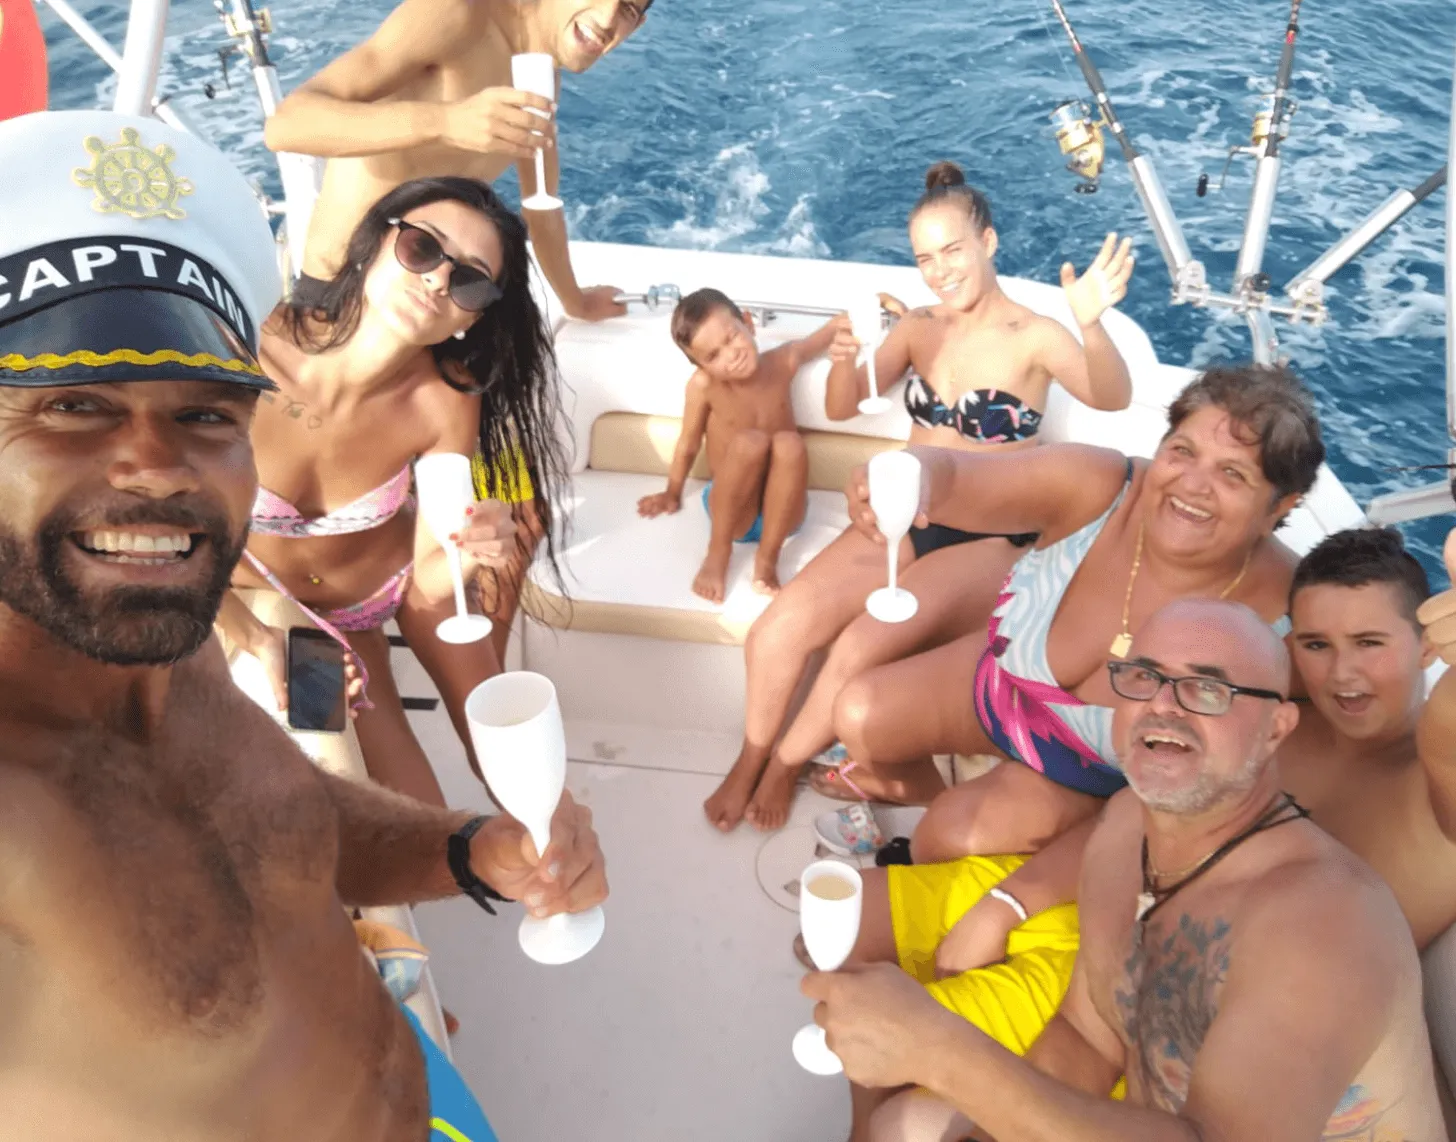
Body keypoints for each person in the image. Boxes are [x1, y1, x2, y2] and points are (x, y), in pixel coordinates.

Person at [0, 107, 607, 1142]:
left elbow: (276, 813)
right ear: (374, 249)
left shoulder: (157, 651)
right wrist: (267, 625)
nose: (154, 468)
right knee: (333, 706)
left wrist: (467, 850)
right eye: (74, 405)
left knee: (400, 762)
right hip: (281, 615)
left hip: (425, 1102)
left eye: (205, 413)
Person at [805, 600, 1442, 1142]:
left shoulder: (1322, 922)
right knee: (905, 1127)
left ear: (1276, 729)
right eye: (1144, 677)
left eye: (1208, 689)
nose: (1163, 707)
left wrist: (939, 1052)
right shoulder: (1123, 833)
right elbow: (1088, 1036)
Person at [705, 160, 1136, 832]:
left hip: (988, 536)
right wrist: (844, 358)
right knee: (776, 630)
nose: (940, 271)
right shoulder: (917, 328)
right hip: (903, 511)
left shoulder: (1036, 336)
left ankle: (784, 767)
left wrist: (1092, 325)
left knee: (856, 648)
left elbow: (1112, 397)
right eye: (925, 259)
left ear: (988, 241)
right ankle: (749, 758)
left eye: (953, 251)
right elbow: (843, 405)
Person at [814, 361, 1320, 861]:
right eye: (1182, 451)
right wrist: (911, 477)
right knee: (859, 715)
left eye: (1232, 473)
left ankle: (968, 813)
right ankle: (925, 792)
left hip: (1087, 777)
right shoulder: (1102, 486)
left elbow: (1326, 734)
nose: (1192, 484)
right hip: (997, 689)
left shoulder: (1292, 613)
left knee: (947, 836)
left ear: (1279, 506)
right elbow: (958, 476)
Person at [213, 175, 568, 807]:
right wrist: (256, 635)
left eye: (470, 280)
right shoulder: (246, 345)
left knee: (454, 799)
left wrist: (468, 554)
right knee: (352, 800)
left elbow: (431, 575)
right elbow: (162, 524)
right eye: (422, 249)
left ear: (475, 314)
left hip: (366, 609)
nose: (438, 280)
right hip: (261, 604)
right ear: (373, 245)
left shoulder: (445, 401)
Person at [263, 0, 649, 323]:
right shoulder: (458, 14)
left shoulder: (541, 79)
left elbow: (541, 206)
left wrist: (575, 301)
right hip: (339, 296)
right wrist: (445, 122)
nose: (608, 18)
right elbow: (286, 126)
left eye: (629, 8)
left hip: (427, 306)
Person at [636, 288, 842, 601]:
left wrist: (877, 303)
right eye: (713, 356)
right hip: (732, 514)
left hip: (784, 513)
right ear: (700, 366)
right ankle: (718, 552)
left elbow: (830, 331)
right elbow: (688, 444)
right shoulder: (703, 386)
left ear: (748, 322)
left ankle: (767, 560)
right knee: (750, 442)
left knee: (790, 444)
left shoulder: (783, 361)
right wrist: (672, 492)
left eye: (732, 337)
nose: (731, 355)